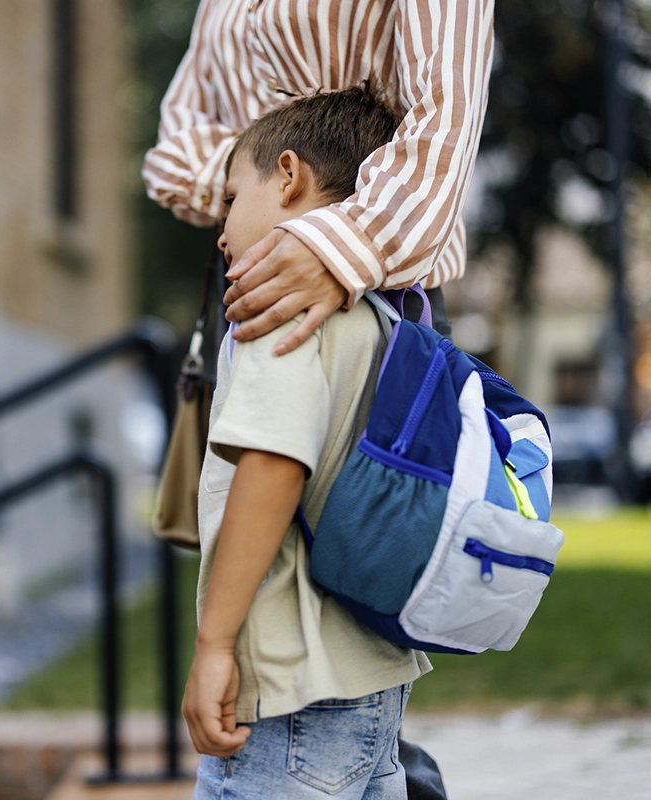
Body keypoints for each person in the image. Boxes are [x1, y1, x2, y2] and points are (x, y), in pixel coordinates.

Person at [185, 85, 433, 800]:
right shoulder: (380, 313)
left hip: (293, 701)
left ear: (288, 176)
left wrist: (212, 645)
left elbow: (273, 467)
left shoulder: (279, 306)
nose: (223, 230)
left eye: (231, 200)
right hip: (373, 681)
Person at [143, 0, 494, 353]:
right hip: (244, 291)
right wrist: (270, 179)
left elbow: (446, 114)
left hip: (374, 295)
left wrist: (340, 243)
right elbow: (172, 156)